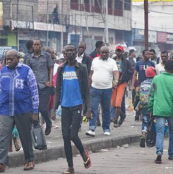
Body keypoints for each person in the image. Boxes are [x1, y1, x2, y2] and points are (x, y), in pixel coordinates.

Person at [0, 50, 38, 173]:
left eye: (11, 59)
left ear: (18, 58)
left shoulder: (27, 70)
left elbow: (34, 91)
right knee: (3, 136)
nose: (8, 61)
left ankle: (29, 160)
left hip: (23, 109)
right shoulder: (3, 70)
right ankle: (0, 163)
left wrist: (35, 111)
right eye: (7, 59)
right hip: (6, 109)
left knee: (25, 136)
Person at [52, 44, 92, 174]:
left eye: (72, 50)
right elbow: (58, 89)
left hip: (77, 105)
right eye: (67, 51)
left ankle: (83, 154)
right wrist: (54, 108)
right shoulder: (61, 69)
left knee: (73, 134)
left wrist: (88, 108)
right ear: (64, 53)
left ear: (75, 53)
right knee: (65, 136)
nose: (69, 53)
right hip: (65, 106)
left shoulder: (82, 68)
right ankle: (70, 167)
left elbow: (86, 90)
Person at [148, 60, 173, 164]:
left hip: (158, 110)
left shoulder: (156, 78)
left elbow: (151, 95)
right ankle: (171, 154)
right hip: (171, 111)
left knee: (160, 132)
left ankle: (159, 152)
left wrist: (150, 108)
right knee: (172, 132)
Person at [86, 46, 119, 137]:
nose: (104, 54)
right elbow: (91, 73)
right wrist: (88, 85)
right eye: (102, 52)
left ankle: (106, 128)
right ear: (99, 53)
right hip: (95, 89)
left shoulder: (112, 62)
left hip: (107, 89)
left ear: (109, 53)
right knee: (93, 109)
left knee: (106, 110)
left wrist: (115, 81)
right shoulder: (95, 60)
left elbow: (116, 73)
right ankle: (92, 128)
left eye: (106, 52)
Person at [25, 40, 54, 135]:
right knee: (34, 109)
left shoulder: (46, 56)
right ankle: (37, 129)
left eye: (38, 45)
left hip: (45, 86)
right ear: (32, 46)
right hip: (33, 87)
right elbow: (27, 71)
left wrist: (50, 81)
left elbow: (50, 68)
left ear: (41, 46)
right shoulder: (29, 58)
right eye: (35, 45)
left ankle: (48, 123)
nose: (36, 46)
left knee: (43, 108)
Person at [111, 45, 133, 127]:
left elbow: (130, 73)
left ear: (122, 52)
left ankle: (116, 120)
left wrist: (124, 80)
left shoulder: (126, 62)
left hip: (122, 83)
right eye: (117, 50)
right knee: (112, 103)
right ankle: (122, 115)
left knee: (118, 103)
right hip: (113, 83)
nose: (118, 52)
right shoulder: (112, 61)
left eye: (120, 51)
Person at [132, 50, 155, 121]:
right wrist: (133, 85)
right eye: (147, 54)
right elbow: (135, 74)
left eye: (149, 54)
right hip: (140, 84)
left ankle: (146, 114)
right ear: (143, 55)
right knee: (138, 99)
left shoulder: (152, 63)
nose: (148, 55)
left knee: (147, 100)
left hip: (149, 85)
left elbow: (154, 74)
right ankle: (137, 113)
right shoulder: (138, 63)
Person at [137, 66, 156, 147]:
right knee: (152, 121)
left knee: (144, 120)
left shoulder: (142, 83)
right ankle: (151, 138)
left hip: (143, 104)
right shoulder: (155, 83)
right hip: (152, 105)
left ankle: (144, 132)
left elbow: (138, 95)